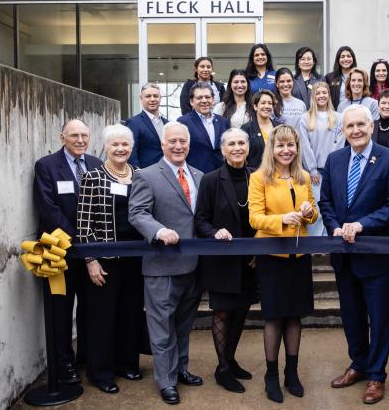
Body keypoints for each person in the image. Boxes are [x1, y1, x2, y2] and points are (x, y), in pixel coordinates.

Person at [318, 104, 389, 405]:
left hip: (376, 256)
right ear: (343, 130)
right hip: (344, 256)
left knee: (379, 319)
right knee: (351, 316)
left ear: (371, 126)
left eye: (361, 124)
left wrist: (361, 225)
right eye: (350, 126)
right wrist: (334, 227)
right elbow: (326, 202)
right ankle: (358, 364)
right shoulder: (334, 160)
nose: (355, 130)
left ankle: (376, 376)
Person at [128, 122, 204, 405]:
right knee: (161, 328)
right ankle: (166, 381)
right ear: (162, 144)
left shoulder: (199, 175)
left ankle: (181, 368)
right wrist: (159, 231)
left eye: (182, 141)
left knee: (183, 326)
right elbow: (137, 213)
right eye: (172, 141)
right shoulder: (146, 176)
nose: (178, 146)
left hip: (193, 266)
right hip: (161, 267)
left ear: (189, 144)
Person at [248, 125, 318, 403]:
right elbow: (254, 218)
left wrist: (309, 212)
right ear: (272, 148)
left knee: (295, 316)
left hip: (299, 256)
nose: (286, 150)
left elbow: (314, 212)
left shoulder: (303, 177)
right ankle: (271, 376)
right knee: (275, 317)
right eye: (281, 145)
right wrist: (282, 220)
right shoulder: (259, 178)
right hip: (271, 256)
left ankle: (292, 373)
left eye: (291, 145)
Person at [76, 124, 146, 394]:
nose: (120, 149)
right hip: (105, 260)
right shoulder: (93, 177)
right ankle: (101, 372)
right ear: (105, 147)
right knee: (102, 317)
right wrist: (91, 260)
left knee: (131, 313)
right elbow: (84, 224)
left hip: (136, 258)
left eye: (125, 144)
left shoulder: (140, 174)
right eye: (115, 144)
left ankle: (126, 363)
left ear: (131, 147)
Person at [32, 118, 102, 385]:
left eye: (84, 135)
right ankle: (63, 366)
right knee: (59, 312)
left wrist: (91, 244)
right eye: (74, 135)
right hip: (58, 253)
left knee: (90, 308)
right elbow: (49, 210)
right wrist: (80, 239)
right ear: (62, 138)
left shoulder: (96, 164)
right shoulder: (46, 166)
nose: (80, 140)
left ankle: (86, 358)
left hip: (90, 253)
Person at [194, 128, 258, 394]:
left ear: (248, 147)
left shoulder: (257, 176)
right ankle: (222, 368)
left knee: (241, 310)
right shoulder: (210, 180)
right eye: (231, 144)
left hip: (250, 260)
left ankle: (230, 360)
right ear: (222, 150)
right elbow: (200, 219)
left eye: (241, 142)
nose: (237, 148)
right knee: (222, 312)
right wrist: (214, 232)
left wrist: (258, 249)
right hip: (222, 259)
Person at [297, 81, 345, 236]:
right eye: (318, 93)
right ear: (313, 96)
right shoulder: (305, 118)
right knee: (316, 208)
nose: (321, 96)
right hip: (315, 173)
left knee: (333, 206)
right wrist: (312, 170)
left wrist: (333, 167)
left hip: (334, 171)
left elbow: (340, 143)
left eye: (324, 92)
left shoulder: (338, 118)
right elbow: (304, 146)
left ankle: (331, 239)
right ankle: (315, 243)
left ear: (329, 95)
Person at [177, 81, 229, 173]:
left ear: (213, 99)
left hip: (221, 175)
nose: (204, 101)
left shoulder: (223, 122)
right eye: (199, 98)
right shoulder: (183, 122)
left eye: (207, 97)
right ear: (191, 101)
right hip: (196, 175)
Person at [126, 83, 169, 168]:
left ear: (160, 98)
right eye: (148, 96)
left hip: (167, 172)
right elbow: (131, 155)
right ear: (141, 98)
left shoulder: (167, 123)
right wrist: (138, 174)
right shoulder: (133, 123)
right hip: (145, 173)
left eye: (155, 96)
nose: (152, 99)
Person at [241, 89, 283, 169]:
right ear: (255, 106)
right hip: (255, 173)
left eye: (270, 103)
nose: (267, 106)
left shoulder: (279, 128)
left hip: (278, 172)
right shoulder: (246, 128)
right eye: (263, 103)